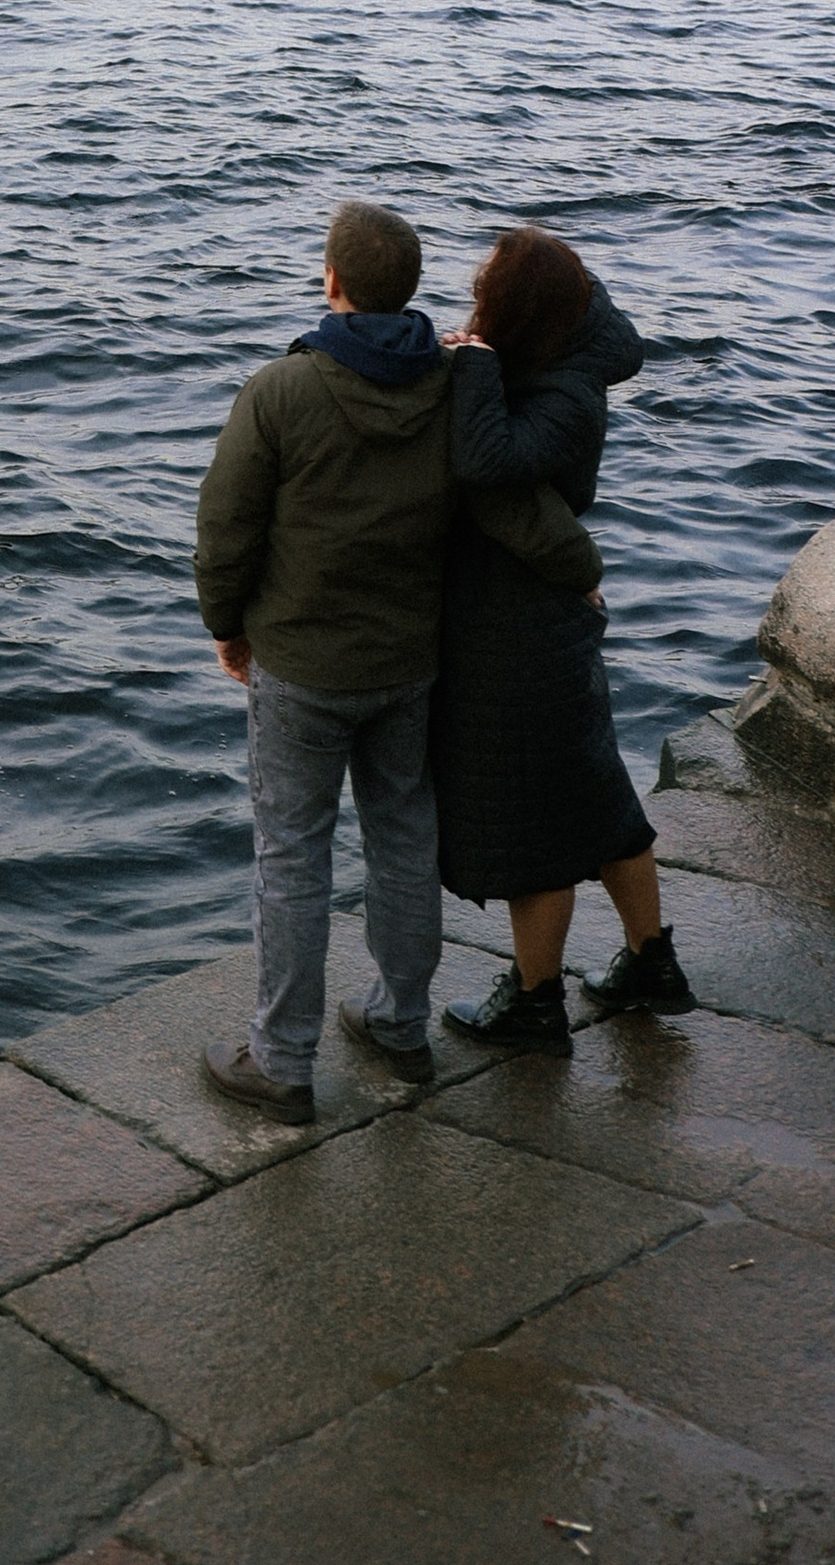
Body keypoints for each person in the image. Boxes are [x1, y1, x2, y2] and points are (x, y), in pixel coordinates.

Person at [192, 198, 604, 1124]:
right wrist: (581, 569)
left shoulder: (281, 389)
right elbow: (510, 506)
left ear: (332, 281)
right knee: (404, 839)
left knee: (292, 858)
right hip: (408, 664)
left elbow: (224, 529)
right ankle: (400, 1023)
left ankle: (283, 1061)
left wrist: (228, 626)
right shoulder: (452, 385)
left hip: (300, 665)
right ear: (411, 289)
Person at [436, 227, 688, 1052]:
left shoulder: (568, 398)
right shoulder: (568, 354)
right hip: (552, 615)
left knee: (529, 821)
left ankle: (537, 1001)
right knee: (597, 795)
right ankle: (652, 962)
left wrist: (472, 362)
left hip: (520, 625)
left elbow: (484, 459)